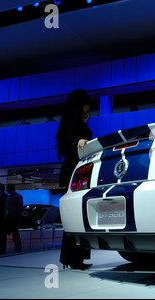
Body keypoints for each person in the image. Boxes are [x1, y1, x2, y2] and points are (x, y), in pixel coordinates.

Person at [56, 89, 93, 270]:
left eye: (88, 112)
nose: (86, 115)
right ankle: (72, 259)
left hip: (81, 174)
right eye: (83, 112)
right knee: (74, 216)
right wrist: (77, 140)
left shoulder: (83, 126)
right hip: (72, 173)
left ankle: (77, 258)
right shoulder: (69, 125)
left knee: (80, 215)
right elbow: (67, 138)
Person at [0, 184, 23, 254]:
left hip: (13, 218)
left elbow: (19, 208)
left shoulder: (17, 197)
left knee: (15, 234)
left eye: (7, 188)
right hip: (8, 218)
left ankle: (18, 248)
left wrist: (18, 218)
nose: (6, 189)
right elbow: (7, 208)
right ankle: (2, 248)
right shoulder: (9, 197)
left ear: (10, 188)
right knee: (4, 233)